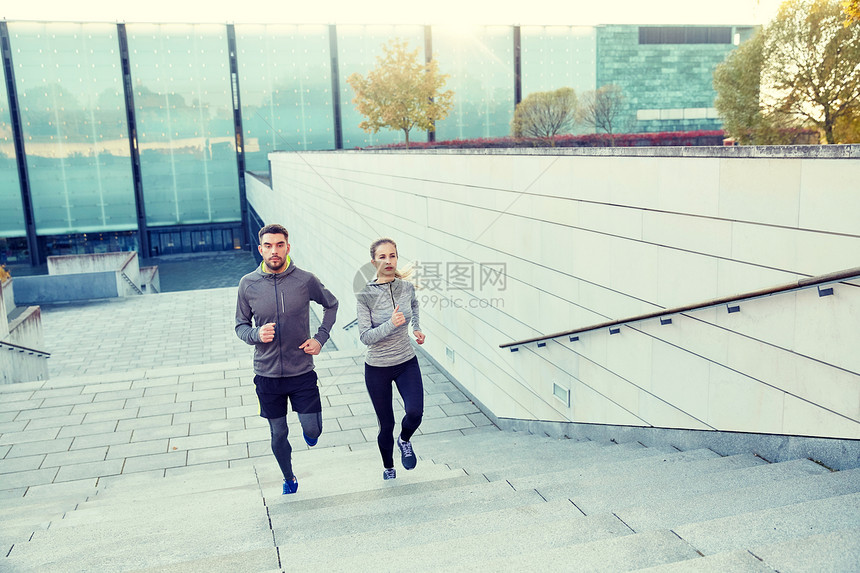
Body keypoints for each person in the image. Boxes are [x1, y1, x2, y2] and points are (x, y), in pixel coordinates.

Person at [235, 224, 338, 494]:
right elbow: (240, 326)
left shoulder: (304, 280)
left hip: (301, 370)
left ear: (288, 247)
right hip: (267, 375)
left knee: (313, 431)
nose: (274, 251)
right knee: (278, 432)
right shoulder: (248, 284)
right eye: (268, 246)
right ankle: (289, 477)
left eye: (279, 245)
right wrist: (257, 333)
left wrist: (320, 338)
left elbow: (331, 304)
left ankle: (310, 432)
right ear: (260, 250)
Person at [356, 238, 425, 480]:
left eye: (392, 256)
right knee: (386, 425)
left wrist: (416, 327)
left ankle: (404, 440)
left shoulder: (405, 287)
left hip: (406, 361)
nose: (388, 261)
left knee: (415, 412)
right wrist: (390, 324)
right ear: (373, 261)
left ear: (397, 258)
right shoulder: (365, 295)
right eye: (382, 257)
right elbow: (365, 337)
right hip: (377, 368)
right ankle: (388, 467)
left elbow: (414, 305)